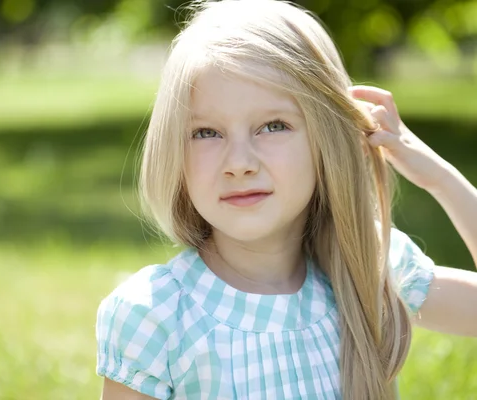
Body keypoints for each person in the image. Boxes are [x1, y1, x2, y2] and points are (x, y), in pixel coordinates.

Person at [95, 1, 477, 398]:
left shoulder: (370, 267)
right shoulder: (156, 316)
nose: (239, 163)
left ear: (326, 140)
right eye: (206, 132)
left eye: (272, 126)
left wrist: (439, 177)